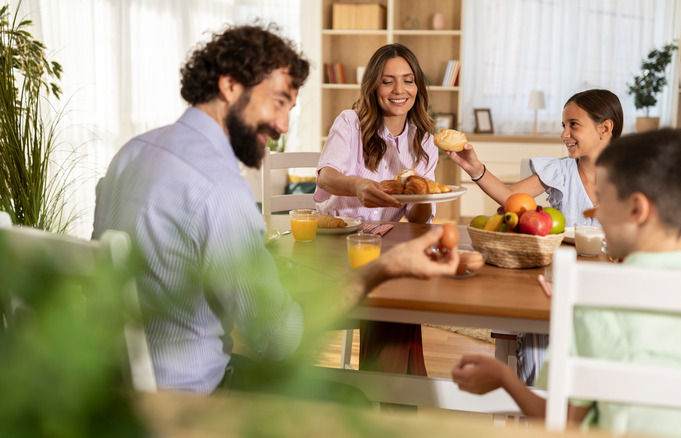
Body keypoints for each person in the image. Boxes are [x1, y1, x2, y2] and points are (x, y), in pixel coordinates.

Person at [92, 24, 459, 399]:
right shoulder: (222, 190)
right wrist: (377, 272)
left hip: (116, 386)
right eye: (279, 102)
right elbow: (278, 340)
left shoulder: (130, 154)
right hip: (191, 397)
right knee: (353, 398)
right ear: (231, 86)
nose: (282, 126)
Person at [452, 129, 681, 437]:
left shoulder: (592, 299)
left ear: (636, 209)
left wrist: (504, 379)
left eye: (602, 199)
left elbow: (562, 425)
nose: (593, 212)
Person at [448, 89, 624, 385]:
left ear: (605, 128)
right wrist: (476, 169)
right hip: (556, 288)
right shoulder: (560, 171)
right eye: (563, 126)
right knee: (540, 340)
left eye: (573, 125)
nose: (564, 134)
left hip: (608, 291)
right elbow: (510, 198)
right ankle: (541, 412)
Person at [314, 43, 438, 376]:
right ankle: (398, 401)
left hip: (380, 248)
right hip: (334, 249)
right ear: (373, 86)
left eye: (408, 80)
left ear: (418, 87)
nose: (400, 90)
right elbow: (326, 176)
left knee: (402, 292)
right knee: (398, 301)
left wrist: (424, 196)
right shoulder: (351, 123)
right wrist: (357, 186)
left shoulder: (424, 139)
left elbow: (417, 217)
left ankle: (386, 396)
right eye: (388, 81)